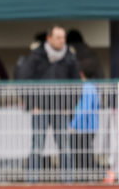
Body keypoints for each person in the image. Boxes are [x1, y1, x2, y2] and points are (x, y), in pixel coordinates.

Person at [16, 25, 82, 181]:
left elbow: (77, 85)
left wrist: (69, 107)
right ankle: (31, 180)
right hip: (40, 109)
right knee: (37, 147)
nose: (62, 41)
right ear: (49, 38)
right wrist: (33, 105)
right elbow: (24, 80)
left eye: (63, 38)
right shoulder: (36, 56)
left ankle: (68, 180)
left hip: (61, 110)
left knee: (65, 147)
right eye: (58, 37)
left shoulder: (70, 57)